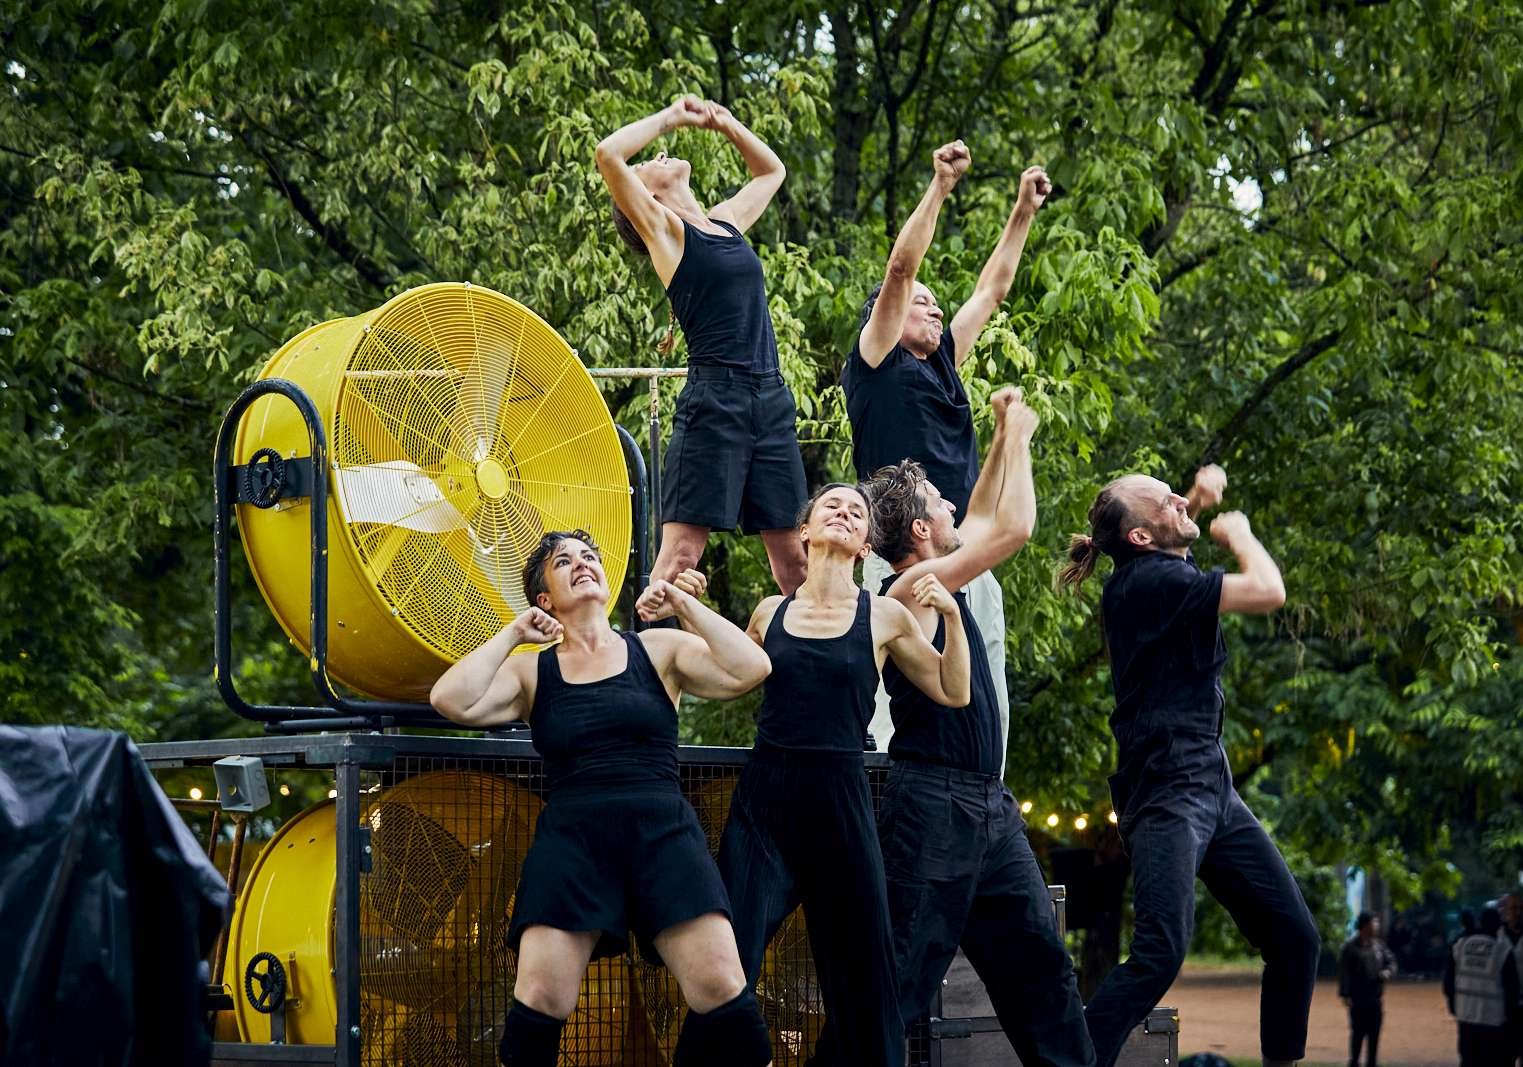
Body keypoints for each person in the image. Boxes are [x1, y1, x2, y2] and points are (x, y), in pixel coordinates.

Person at [430, 531, 773, 1067]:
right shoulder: (531, 669)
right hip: (574, 840)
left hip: (663, 831)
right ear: (545, 599)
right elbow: (449, 699)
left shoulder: (657, 649)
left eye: (589, 556)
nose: (582, 563)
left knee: (721, 984)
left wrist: (682, 603)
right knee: (542, 996)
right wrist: (514, 632)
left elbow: (752, 667)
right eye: (563, 562)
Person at [846, 385, 1093, 1064]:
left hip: (989, 804)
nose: (952, 506)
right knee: (898, 980)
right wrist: (1022, 438)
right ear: (919, 531)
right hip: (931, 805)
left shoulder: (941, 571)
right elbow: (1010, 529)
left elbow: (981, 514)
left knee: (1043, 973)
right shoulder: (904, 589)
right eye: (938, 502)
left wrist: (1001, 434)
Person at [1058, 465, 1321, 1067]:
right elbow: (1269, 591)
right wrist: (1240, 533)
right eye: (1164, 500)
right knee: (1161, 952)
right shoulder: (1152, 583)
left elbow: (1171, 541)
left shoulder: (1151, 571)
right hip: (1167, 791)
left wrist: (1193, 504)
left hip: (1212, 784)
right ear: (1140, 538)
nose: (1177, 499)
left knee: (1295, 939)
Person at [718, 482, 972, 1066]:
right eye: (831, 505)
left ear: (865, 547)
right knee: (729, 955)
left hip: (841, 804)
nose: (844, 513)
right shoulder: (769, 612)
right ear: (805, 531)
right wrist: (684, 610)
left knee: (863, 975)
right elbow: (721, 676)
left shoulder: (884, 616)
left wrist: (952, 617)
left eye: (857, 512)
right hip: (766, 803)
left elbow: (952, 690)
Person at [841, 139, 1050, 762]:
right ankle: (887, 786)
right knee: (902, 699)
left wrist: (1023, 210)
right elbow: (901, 271)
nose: (934, 308)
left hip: (964, 542)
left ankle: (991, 789)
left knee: (985, 692)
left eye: (937, 304)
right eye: (922, 303)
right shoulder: (876, 359)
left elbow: (992, 290)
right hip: (904, 555)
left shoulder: (943, 363)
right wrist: (939, 186)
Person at [597, 95, 808, 594]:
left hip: (771, 399)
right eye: (647, 164)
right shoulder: (665, 233)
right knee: (679, 559)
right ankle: (648, 644)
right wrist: (670, 117)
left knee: (797, 566)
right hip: (716, 402)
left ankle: (805, 646)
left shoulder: (725, 222)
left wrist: (728, 124)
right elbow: (608, 154)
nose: (659, 154)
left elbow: (772, 172)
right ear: (646, 197)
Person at [1445, 907, 1517, 1066]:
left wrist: (1454, 1007)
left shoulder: (1460, 946)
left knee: (1468, 1061)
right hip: (1493, 1020)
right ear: (1498, 926)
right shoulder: (1502, 950)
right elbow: (1512, 989)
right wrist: (1511, 1018)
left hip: (1465, 1016)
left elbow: (1448, 982)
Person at [1339, 912, 1396, 1067]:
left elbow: (1391, 962)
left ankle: (1372, 1063)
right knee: (1357, 1034)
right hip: (1358, 1000)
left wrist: (1387, 972)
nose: (1376, 926)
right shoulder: (1350, 948)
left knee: (1374, 1035)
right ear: (1365, 926)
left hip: (1375, 999)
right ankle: (1354, 1062)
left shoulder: (1379, 946)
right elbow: (1344, 973)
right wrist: (1345, 994)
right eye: (1374, 923)